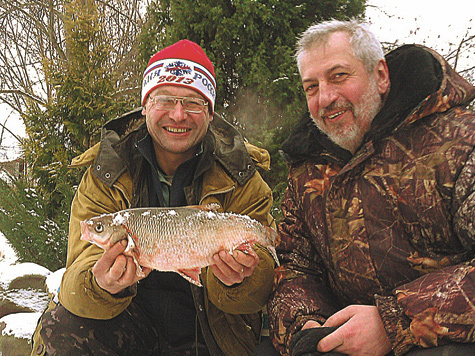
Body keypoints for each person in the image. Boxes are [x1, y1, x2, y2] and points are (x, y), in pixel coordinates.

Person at [31, 39, 276, 356]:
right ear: (145, 106)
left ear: (210, 113)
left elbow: (263, 282)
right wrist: (100, 284)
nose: (178, 115)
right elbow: (79, 272)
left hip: (214, 332)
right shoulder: (107, 171)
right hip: (131, 324)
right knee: (60, 325)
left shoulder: (241, 175)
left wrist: (239, 279)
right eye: (165, 100)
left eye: (193, 103)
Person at [267, 19, 475, 356]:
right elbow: (296, 267)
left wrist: (393, 322)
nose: (326, 98)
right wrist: (306, 325)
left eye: (339, 76)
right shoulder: (307, 168)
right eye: (311, 87)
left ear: (380, 76)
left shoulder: (460, 142)